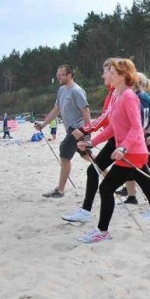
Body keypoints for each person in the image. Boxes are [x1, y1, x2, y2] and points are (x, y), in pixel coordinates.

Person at [76, 58, 150, 243]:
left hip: (132, 153)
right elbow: (112, 128)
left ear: (123, 76)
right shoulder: (119, 96)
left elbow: (136, 127)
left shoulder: (129, 96)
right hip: (132, 152)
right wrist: (91, 142)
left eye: (112, 73)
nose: (108, 76)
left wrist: (122, 147)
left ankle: (102, 232)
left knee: (106, 188)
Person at [62, 58, 118, 223]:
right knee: (94, 171)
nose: (103, 75)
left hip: (124, 142)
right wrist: (91, 139)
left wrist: (86, 130)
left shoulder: (120, 93)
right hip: (116, 139)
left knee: (143, 179)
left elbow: (110, 119)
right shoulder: (113, 92)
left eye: (106, 71)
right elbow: (108, 120)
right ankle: (86, 212)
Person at [34, 65, 91, 198]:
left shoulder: (77, 91)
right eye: (57, 74)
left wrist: (87, 131)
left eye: (61, 75)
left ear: (70, 75)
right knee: (88, 157)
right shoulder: (61, 90)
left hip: (78, 129)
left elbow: (85, 111)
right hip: (70, 130)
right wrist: (43, 125)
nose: (58, 77)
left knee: (64, 153)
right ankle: (112, 178)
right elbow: (56, 109)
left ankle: (60, 190)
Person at [122, 72, 150, 204]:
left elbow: (145, 120)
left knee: (142, 168)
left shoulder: (143, 97)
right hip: (132, 137)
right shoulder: (133, 96)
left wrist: (146, 135)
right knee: (129, 167)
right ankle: (131, 196)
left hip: (138, 137)